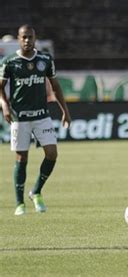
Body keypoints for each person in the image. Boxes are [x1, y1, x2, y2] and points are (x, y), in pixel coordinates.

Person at [0, 25, 71, 216]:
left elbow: (55, 87)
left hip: (42, 115)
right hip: (19, 117)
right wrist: (5, 106)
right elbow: (0, 88)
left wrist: (65, 110)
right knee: (21, 158)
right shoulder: (10, 62)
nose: (27, 41)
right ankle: (19, 203)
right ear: (18, 38)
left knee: (52, 154)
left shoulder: (45, 59)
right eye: (23, 37)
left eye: (30, 37)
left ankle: (36, 191)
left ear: (35, 38)